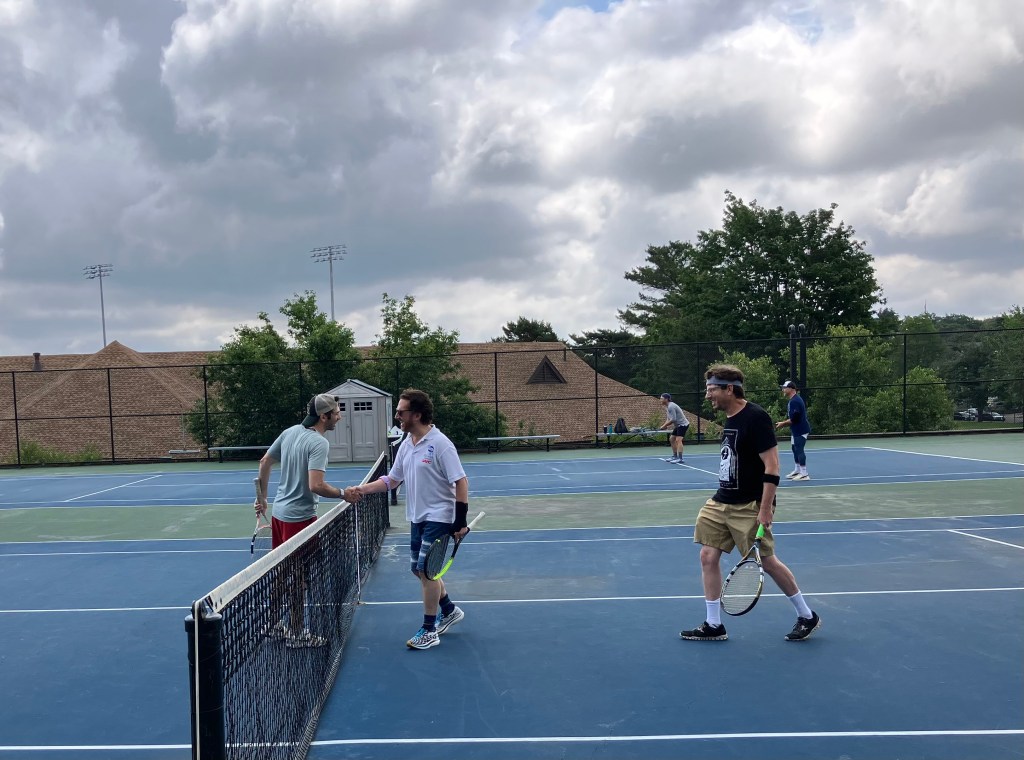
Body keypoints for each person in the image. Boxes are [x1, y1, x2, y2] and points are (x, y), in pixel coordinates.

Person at [680, 364, 821, 642]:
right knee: (707, 556)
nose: (707, 396)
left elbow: (773, 465)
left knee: (767, 562)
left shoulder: (756, 417)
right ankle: (713, 624)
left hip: (750, 505)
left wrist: (765, 508)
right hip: (721, 501)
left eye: (711, 390)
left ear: (729, 389)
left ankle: (807, 615)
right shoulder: (730, 418)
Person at [350, 388, 470, 650]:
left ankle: (429, 630)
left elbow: (461, 481)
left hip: (439, 517)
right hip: (417, 517)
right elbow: (393, 480)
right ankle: (449, 610)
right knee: (420, 570)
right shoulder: (406, 443)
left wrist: (460, 521)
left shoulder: (441, 444)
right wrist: (362, 489)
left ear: (416, 415)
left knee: (427, 572)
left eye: (400, 412)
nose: (397, 417)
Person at [254, 393, 361, 648]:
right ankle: (296, 632)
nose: (339, 416)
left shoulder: (290, 432)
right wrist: (343, 494)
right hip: (299, 520)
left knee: (282, 573)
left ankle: (273, 625)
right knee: (299, 577)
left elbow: (265, 461)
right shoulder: (319, 443)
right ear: (324, 417)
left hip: (280, 515)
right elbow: (316, 485)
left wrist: (262, 498)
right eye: (336, 413)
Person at [776, 380, 811, 480]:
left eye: (784, 388)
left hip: (801, 429)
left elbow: (795, 419)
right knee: (794, 448)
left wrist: (783, 424)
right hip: (795, 429)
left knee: (799, 449)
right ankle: (797, 470)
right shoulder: (793, 400)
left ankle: (804, 473)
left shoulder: (795, 401)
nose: (783, 390)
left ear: (791, 389)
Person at [658, 393, 690, 464]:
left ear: (666, 399)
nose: (660, 400)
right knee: (672, 439)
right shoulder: (667, 407)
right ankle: (675, 456)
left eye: (661, 398)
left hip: (683, 425)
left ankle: (680, 459)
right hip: (678, 425)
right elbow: (668, 418)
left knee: (678, 440)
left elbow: (673, 419)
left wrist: (664, 426)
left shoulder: (671, 406)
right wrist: (664, 426)